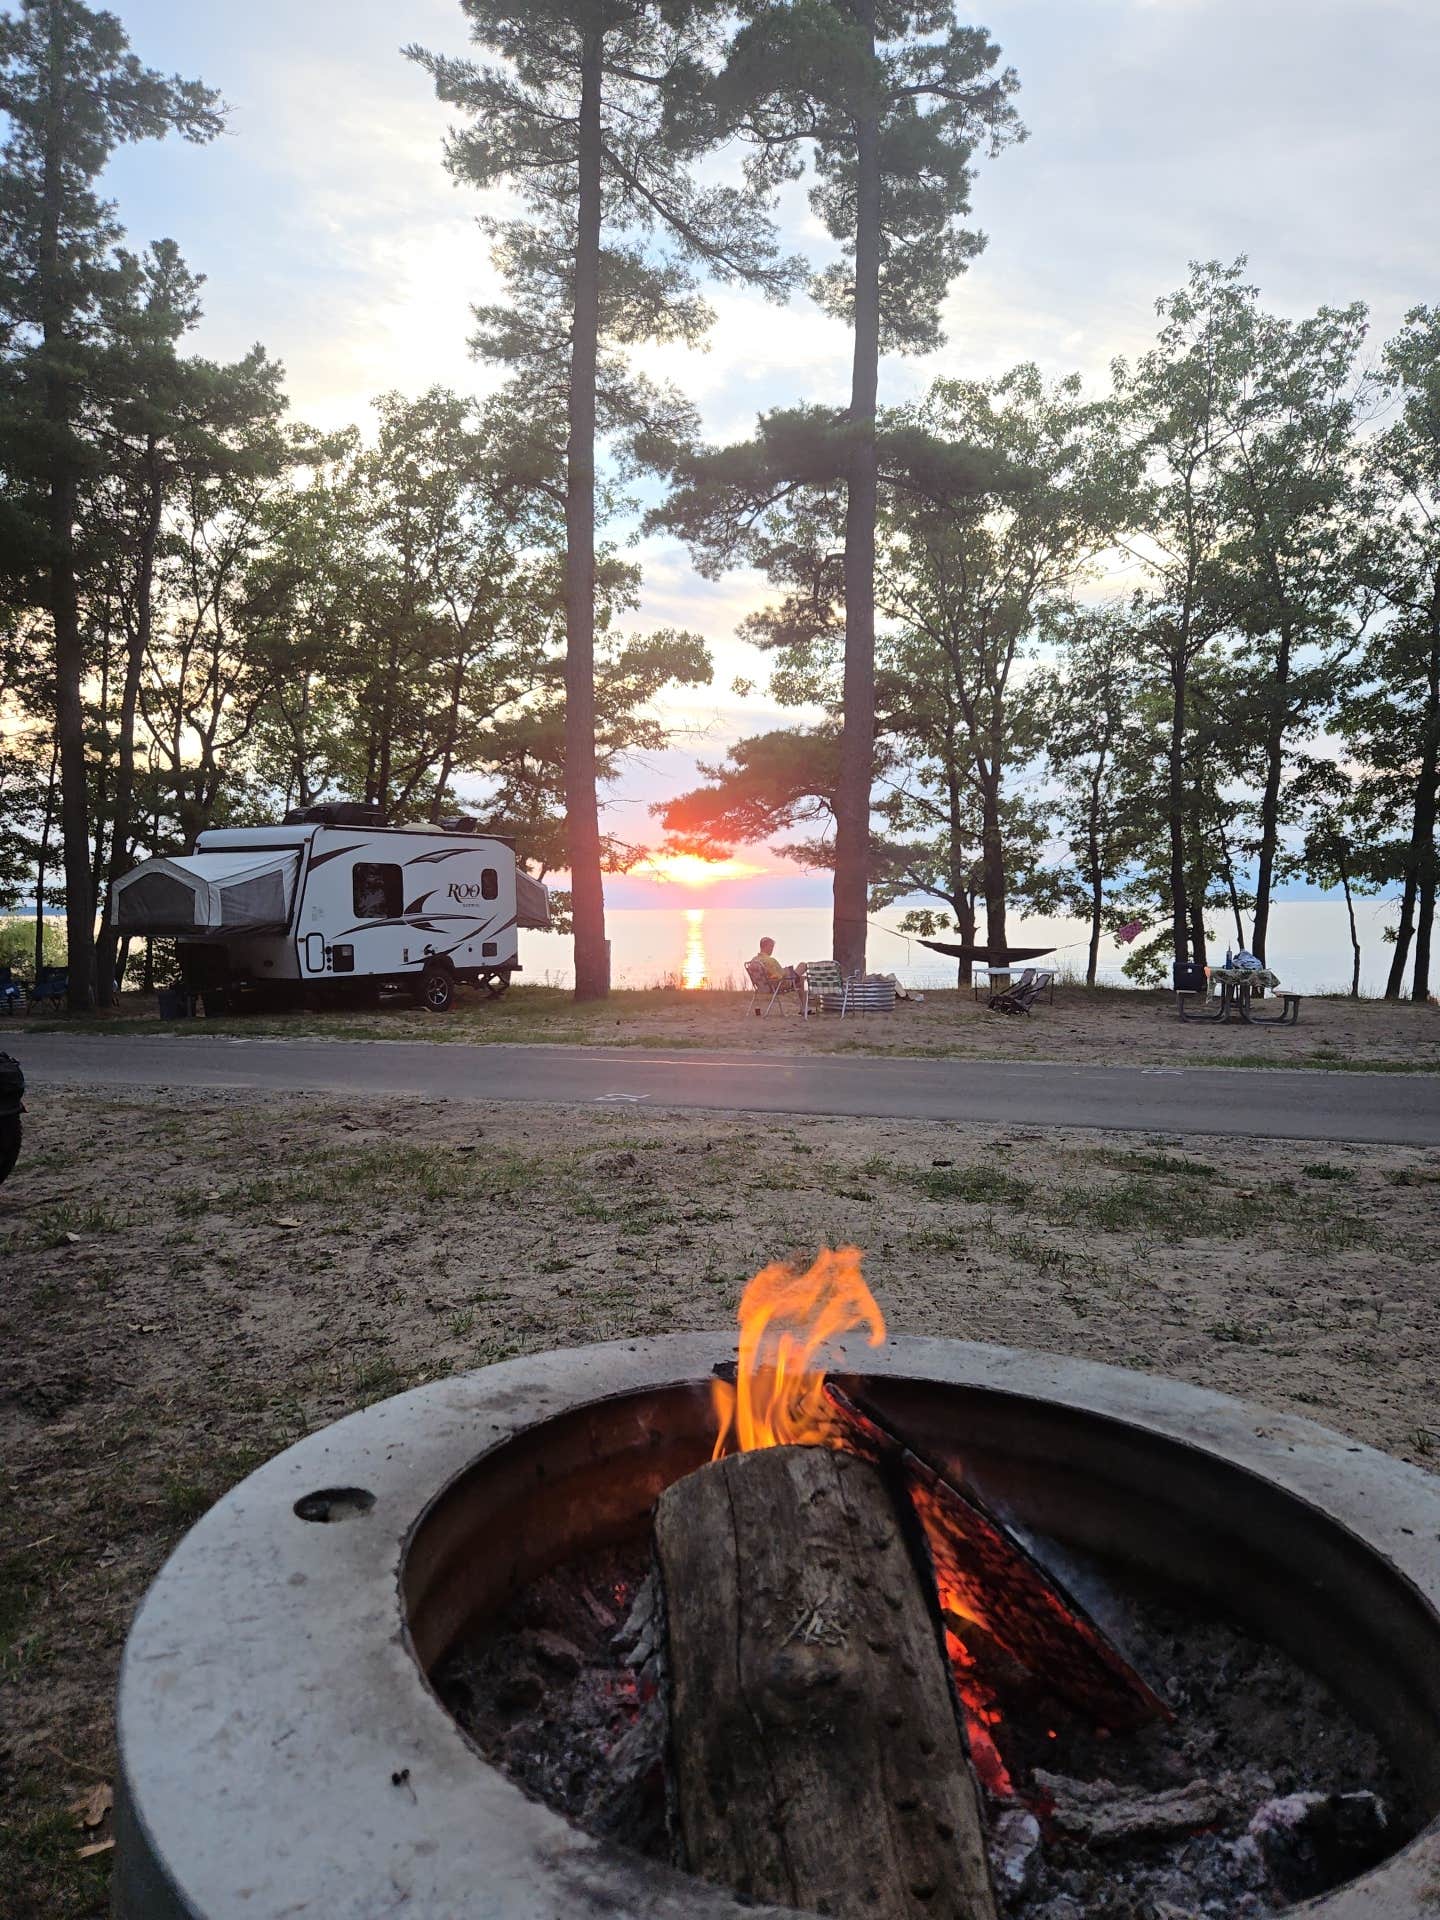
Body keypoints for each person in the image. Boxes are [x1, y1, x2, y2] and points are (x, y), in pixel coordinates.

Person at [747, 937, 805, 1010]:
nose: (772, 949)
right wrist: (787, 971)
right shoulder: (770, 960)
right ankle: (803, 1009)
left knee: (800, 978)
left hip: (762, 987)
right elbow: (781, 975)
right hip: (778, 985)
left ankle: (803, 1009)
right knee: (803, 967)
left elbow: (769, 974)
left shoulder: (754, 960)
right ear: (766, 946)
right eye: (771, 947)